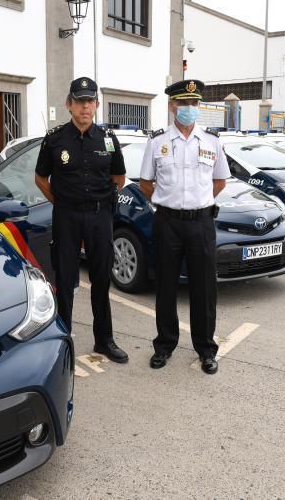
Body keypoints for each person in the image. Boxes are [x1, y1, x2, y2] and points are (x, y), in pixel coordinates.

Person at [138, 79, 230, 374]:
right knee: (165, 285)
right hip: (167, 222)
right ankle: (164, 346)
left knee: (204, 288)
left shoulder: (212, 141)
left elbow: (219, 181)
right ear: (172, 106)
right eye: (183, 104)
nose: (189, 108)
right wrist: (169, 201)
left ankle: (206, 349)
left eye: (194, 103)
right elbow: (145, 183)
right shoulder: (157, 141)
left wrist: (197, 203)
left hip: (201, 222)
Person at [34, 77, 129, 363]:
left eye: (90, 101)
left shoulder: (108, 140)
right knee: (64, 279)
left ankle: (104, 340)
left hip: (100, 216)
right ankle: (63, 342)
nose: (85, 106)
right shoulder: (54, 139)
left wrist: (99, 202)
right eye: (80, 101)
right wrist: (62, 202)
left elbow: (119, 178)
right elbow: (40, 178)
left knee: (101, 278)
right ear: (69, 104)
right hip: (67, 216)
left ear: (97, 105)